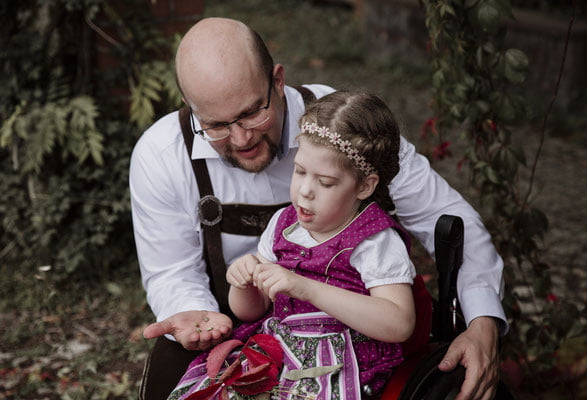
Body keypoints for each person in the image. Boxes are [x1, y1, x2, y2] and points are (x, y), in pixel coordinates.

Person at [130, 17, 506, 400]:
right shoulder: (161, 155)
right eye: (217, 125)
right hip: (243, 326)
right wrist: (198, 314)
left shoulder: (346, 129)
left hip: (357, 341)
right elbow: (171, 272)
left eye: (252, 113)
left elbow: (447, 216)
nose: (241, 138)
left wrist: (482, 321)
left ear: (278, 80)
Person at [168, 91, 423, 400]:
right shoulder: (284, 224)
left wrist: (306, 288)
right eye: (300, 171)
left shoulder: (374, 240)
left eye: (325, 183)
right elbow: (251, 312)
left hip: (342, 366)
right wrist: (244, 282)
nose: (305, 191)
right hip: (279, 350)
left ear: (365, 186)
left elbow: (399, 323)